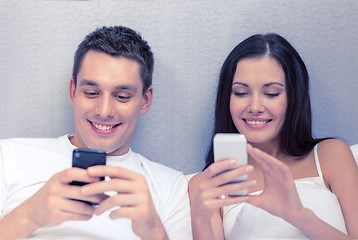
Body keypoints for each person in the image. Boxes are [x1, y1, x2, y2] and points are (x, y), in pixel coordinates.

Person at [0, 26, 192, 240]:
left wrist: (154, 232)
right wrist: (29, 216)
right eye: (92, 93)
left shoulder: (171, 186)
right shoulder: (8, 156)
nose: (104, 111)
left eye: (122, 96)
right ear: (73, 92)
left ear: (145, 100)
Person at [188, 33, 358, 239]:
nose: (255, 107)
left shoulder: (331, 155)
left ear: (293, 97)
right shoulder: (207, 184)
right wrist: (199, 217)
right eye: (241, 93)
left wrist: (298, 215)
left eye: (271, 93)